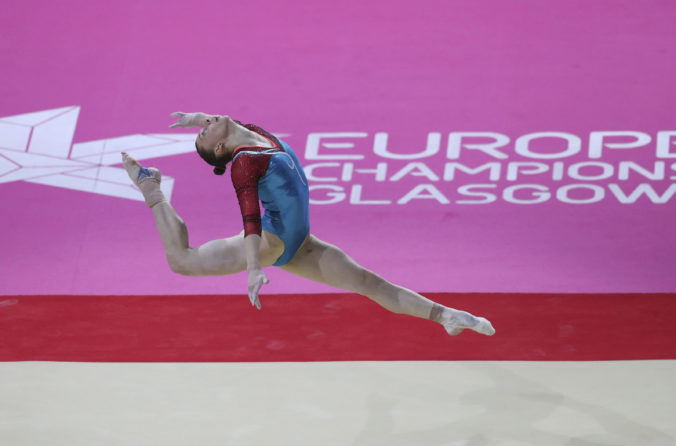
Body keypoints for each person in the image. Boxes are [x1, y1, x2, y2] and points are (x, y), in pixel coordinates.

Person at [120, 112, 495, 337]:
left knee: (368, 283)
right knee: (180, 260)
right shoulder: (244, 162)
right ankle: (151, 185)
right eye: (205, 131)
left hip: (300, 243)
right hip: (271, 241)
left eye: (203, 125)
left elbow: (222, 120)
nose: (207, 123)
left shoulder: (252, 132)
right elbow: (250, 220)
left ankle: (446, 315)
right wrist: (253, 268)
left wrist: (199, 119)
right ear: (220, 150)